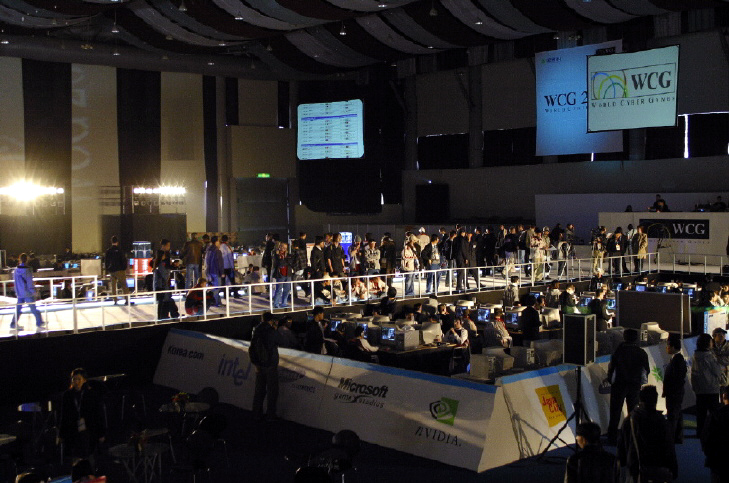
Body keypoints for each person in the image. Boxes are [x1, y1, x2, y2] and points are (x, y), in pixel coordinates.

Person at [617, 385, 677, 483]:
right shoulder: (661, 421)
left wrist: (623, 462)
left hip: (636, 467)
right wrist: (673, 468)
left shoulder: (630, 419)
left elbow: (622, 445)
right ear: (655, 401)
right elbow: (669, 446)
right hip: (658, 467)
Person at [606, 329, 650, 444]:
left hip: (619, 385)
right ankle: (632, 437)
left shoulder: (618, 352)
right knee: (633, 412)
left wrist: (611, 380)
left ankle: (612, 437)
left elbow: (612, 369)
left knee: (615, 412)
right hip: (634, 386)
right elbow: (646, 370)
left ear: (624, 337)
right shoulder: (641, 352)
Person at [60, 368, 106, 462]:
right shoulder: (67, 395)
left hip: (89, 429)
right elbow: (64, 415)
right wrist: (61, 434)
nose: (76, 382)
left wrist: (101, 433)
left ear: (84, 380)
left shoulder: (91, 394)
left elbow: (99, 414)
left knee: (88, 455)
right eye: (74, 379)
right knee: (75, 456)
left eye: (79, 379)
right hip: (73, 430)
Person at [250, 312, 279, 421]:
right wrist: (275, 330)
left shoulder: (256, 330)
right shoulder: (271, 331)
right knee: (272, 391)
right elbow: (280, 341)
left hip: (259, 365)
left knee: (259, 391)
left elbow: (252, 348)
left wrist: (255, 363)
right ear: (271, 320)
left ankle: (256, 413)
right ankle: (270, 415)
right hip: (270, 364)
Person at [692, 332, 722, 438]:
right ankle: (714, 433)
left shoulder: (695, 356)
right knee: (714, 414)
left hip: (700, 390)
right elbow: (717, 372)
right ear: (707, 343)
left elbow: (693, 374)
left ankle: (700, 432)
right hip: (711, 389)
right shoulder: (709, 356)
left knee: (701, 414)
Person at [10, 253, 45, 331]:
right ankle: (39, 322)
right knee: (33, 308)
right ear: (27, 259)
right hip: (27, 293)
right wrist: (33, 291)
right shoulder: (27, 270)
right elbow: (29, 282)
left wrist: (17, 291)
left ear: (19, 259)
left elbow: (15, 282)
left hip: (19, 293)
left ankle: (13, 323)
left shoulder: (15, 270)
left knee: (18, 309)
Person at [662, 333, 686, 444]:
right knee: (677, 413)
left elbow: (676, 378)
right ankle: (677, 436)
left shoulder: (677, 360)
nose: (666, 348)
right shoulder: (677, 359)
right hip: (675, 392)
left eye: (667, 346)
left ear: (672, 347)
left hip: (674, 392)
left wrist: (669, 390)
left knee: (673, 415)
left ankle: (672, 437)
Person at [702, 387, 729, 482]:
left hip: (718, 460)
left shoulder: (715, 415)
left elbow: (705, 437)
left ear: (724, 396)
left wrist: (709, 454)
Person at [153, 249, 179, 320]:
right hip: (163, 286)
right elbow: (165, 275)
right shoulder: (161, 264)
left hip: (159, 286)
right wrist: (170, 268)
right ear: (162, 256)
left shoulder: (157, 264)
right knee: (166, 301)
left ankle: (163, 316)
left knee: (162, 302)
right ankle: (167, 316)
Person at [105, 235, 129, 304]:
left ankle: (115, 300)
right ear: (117, 242)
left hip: (112, 270)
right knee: (124, 285)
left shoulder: (108, 251)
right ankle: (127, 300)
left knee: (113, 286)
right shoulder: (120, 250)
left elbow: (106, 261)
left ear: (111, 242)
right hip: (120, 270)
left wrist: (108, 269)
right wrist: (124, 268)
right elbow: (123, 260)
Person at [271, 242, 293, 309]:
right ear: (280, 247)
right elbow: (279, 263)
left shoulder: (288, 255)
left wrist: (284, 261)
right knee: (279, 290)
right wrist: (284, 260)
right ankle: (276, 303)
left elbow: (291, 262)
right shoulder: (276, 254)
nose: (284, 249)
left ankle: (284, 303)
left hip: (288, 274)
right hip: (280, 274)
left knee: (287, 289)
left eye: (285, 248)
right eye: (282, 247)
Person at [205, 236, 224, 307]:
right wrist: (222, 272)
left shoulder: (208, 250)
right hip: (216, 272)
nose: (219, 243)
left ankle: (217, 301)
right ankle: (215, 302)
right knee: (217, 288)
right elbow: (220, 263)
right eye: (218, 241)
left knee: (213, 287)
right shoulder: (217, 251)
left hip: (209, 272)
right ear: (216, 242)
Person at [220, 235, 239, 299]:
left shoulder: (220, 247)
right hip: (228, 267)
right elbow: (230, 258)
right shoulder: (227, 247)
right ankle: (235, 294)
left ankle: (225, 295)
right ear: (227, 240)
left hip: (222, 267)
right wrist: (233, 266)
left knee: (223, 282)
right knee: (232, 280)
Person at [711, 327, 729, 392]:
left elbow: (727, 361)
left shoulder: (728, 346)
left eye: (723, 334)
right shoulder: (709, 346)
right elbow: (709, 360)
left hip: (726, 377)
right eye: (719, 335)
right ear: (714, 336)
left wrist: (716, 357)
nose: (722, 336)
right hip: (713, 379)